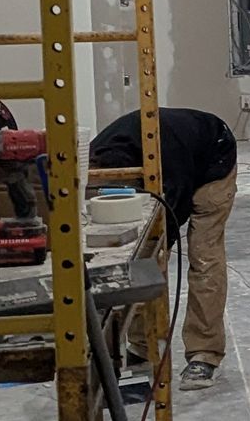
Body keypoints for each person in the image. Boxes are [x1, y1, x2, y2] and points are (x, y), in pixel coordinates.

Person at [89, 104, 238, 389]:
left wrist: (155, 247)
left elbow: (173, 212)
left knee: (203, 256)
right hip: (171, 158)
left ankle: (204, 354)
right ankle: (143, 346)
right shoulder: (96, 160)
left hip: (213, 156)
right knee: (141, 263)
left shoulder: (165, 164)